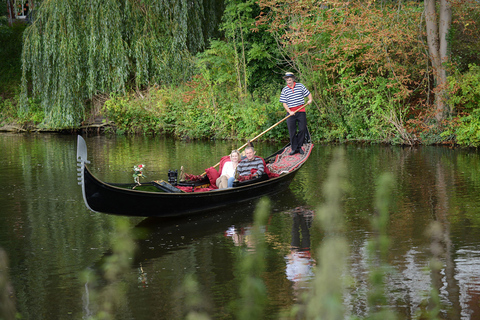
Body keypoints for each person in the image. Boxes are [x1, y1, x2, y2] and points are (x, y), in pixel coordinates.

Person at [279, 72, 313, 155]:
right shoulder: (285, 90)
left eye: (290, 80)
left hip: (301, 111)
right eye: (287, 80)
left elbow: (308, 94)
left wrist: (310, 100)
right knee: (292, 131)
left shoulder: (300, 86)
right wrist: (290, 111)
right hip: (291, 113)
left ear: (293, 79)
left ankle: (299, 146)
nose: (289, 82)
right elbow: (284, 103)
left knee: (302, 129)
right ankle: (294, 148)